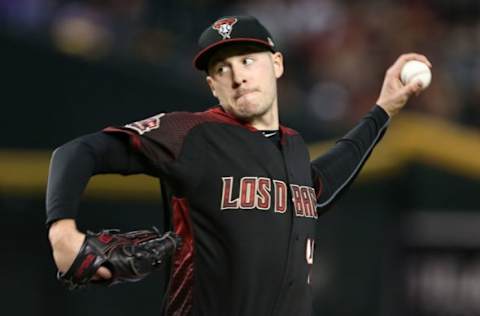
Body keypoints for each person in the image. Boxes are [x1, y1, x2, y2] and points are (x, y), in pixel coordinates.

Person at [46, 15, 431, 316]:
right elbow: (77, 152)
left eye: (247, 59)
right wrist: (62, 232)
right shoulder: (191, 133)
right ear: (212, 85)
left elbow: (319, 187)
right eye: (221, 68)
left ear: (276, 64)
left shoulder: (294, 146)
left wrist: (384, 110)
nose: (238, 75)